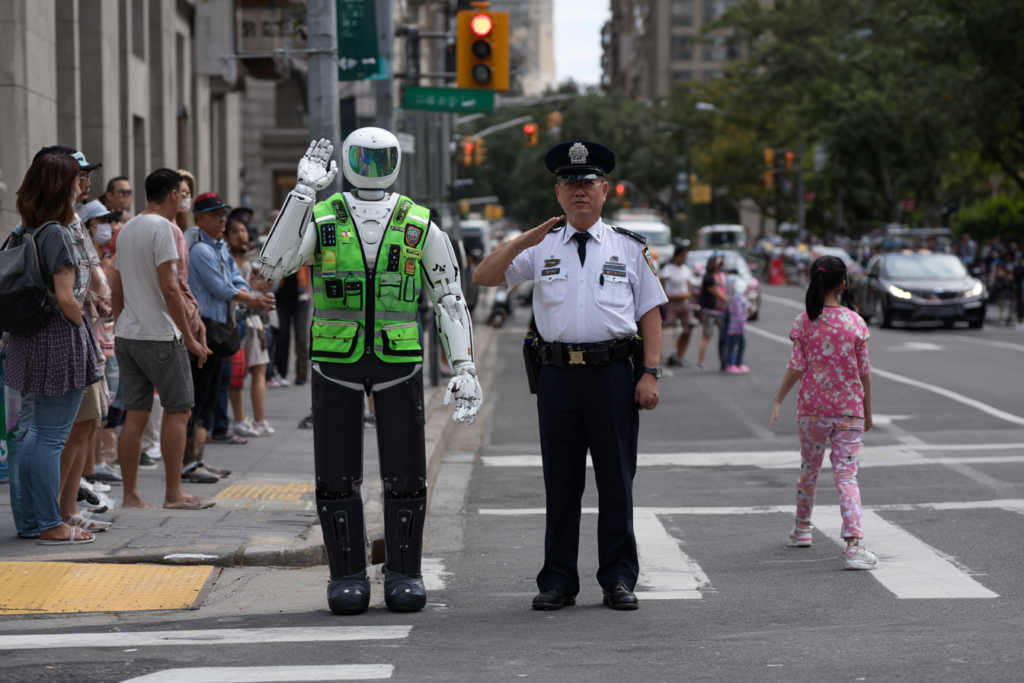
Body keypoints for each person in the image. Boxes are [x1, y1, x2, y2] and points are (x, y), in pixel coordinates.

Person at [257, 134, 483, 615]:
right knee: (336, 476)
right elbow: (273, 264)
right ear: (345, 161)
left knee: (406, 476)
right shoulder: (321, 215)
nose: (373, 166)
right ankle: (347, 577)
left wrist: (464, 364)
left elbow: (448, 295)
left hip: (398, 360)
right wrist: (301, 193)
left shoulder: (420, 223)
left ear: (397, 162)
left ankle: (404, 573)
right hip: (336, 360)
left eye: (381, 157)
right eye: (363, 157)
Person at [473, 140, 667, 612]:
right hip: (558, 377)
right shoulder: (540, 247)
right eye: (569, 184)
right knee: (560, 485)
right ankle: (558, 580)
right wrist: (521, 240)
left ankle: (618, 578)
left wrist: (650, 374)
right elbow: (483, 276)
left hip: (613, 377)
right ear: (558, 192)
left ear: (604, 190)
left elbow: (651, 313)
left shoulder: (628, 247)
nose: (579, 192)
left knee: (616, 483)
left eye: (587, 184)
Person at [4, 150, 102, 544]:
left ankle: (32, 522)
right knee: (50, 436)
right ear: (61, 187)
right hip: (58, 337)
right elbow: (66, 298)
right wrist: (86, 331)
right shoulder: (57, 233)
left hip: (28, 337)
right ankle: (49, 523)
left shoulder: (24, 230)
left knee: (33, 435)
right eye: (75, 180)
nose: (81, 186)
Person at [110, 168, 215, 510]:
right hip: (159, 334)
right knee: (179, 409)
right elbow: (170, 288)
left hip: (128, 333)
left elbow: (117, 285)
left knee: (135, 414)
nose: (184, 199)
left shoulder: (127, 229)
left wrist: (124, 319)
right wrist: (190, 338)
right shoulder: (164, 229)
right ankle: (174, 494)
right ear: (172, 194)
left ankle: (131, 496)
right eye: (181, 194)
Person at [769, 255, 877, 571]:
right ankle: (854, 545)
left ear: (812, 281)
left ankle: (802, 528)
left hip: (812, 410)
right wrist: (868, 412)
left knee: (809, 468)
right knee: (846, 474)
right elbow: (865, 372)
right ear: (844, 284)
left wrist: (778, 399)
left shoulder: (804, 321)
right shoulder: (856, 322)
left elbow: (796, 366)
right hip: (849, 411)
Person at [185, 192, 275, 482]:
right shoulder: (200, 251)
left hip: (220, 329)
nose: (222, 218)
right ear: (199, 219)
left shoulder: (221, 246)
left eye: (223, 213)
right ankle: (188, 464)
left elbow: (235, 279)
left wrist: (253, 294)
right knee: (198, 399)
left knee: (210, 399)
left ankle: (198, 461)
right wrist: (253, 300)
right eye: (215, 214)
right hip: (204, 329)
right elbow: (220, 287)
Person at [225, 218, 273, 435]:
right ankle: (239, 419)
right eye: (235, 231)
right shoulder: (224, 261)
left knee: (259, 370)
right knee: (237, 374)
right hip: (235, 323)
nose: (241, 235)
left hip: (254, 322)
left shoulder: (254, 263)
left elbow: (270, 287)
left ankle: (260, 420)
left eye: (244, 231)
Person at [660, 243, 693, 367]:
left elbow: (689, 290)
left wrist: (687, 297)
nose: (686, 257)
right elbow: (662, 291)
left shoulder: (685, 269)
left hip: (684, 304)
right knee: (670, 331)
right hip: (671, 305)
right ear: (678, 255)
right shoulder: (668, 269)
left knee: (687, 330)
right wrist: (677, 296)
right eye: (685, 255)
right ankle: (670, 355)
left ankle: (680, 356)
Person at [696, 255, 726, 371]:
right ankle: (700, 362)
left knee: (724, 337)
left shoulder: (720, 275)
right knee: (707, 336)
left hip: (719, 310)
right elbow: (717, 292)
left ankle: (725, 362)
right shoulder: (709, 277)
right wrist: (727, 298)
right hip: (709, 310)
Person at [723, 277, 749, 373]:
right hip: (739, 327)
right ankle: (736, 363)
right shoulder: (739, 298)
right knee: (738, 346)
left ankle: (735, 364)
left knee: (734, 346)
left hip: (735, 328)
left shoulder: (734, 298)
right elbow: (744, 310)